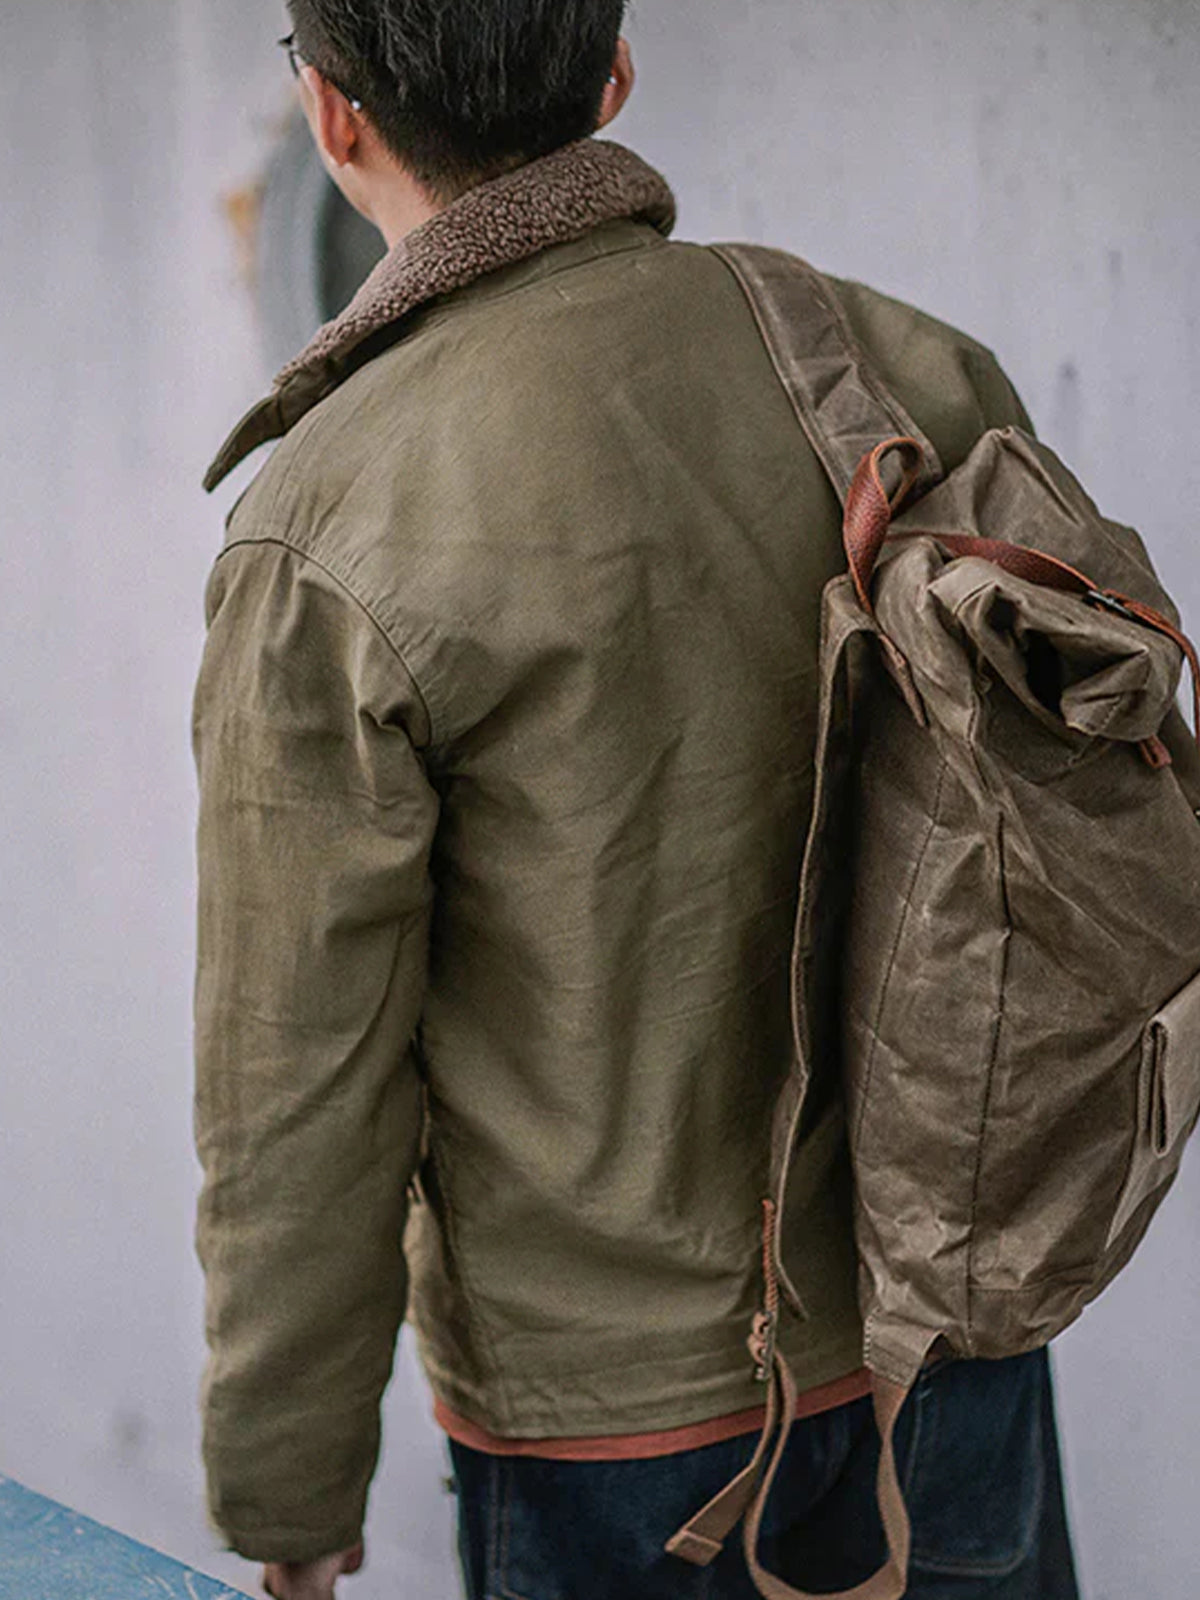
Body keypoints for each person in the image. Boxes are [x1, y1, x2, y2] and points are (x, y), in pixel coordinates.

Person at [193, 5, 1080, 1598]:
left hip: (614, 1435)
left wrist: (291, 1494)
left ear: (333, 116)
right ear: (611, 77)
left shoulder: (327, 521)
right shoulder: (904, 364)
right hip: (947, 1342)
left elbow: (298, 1081)